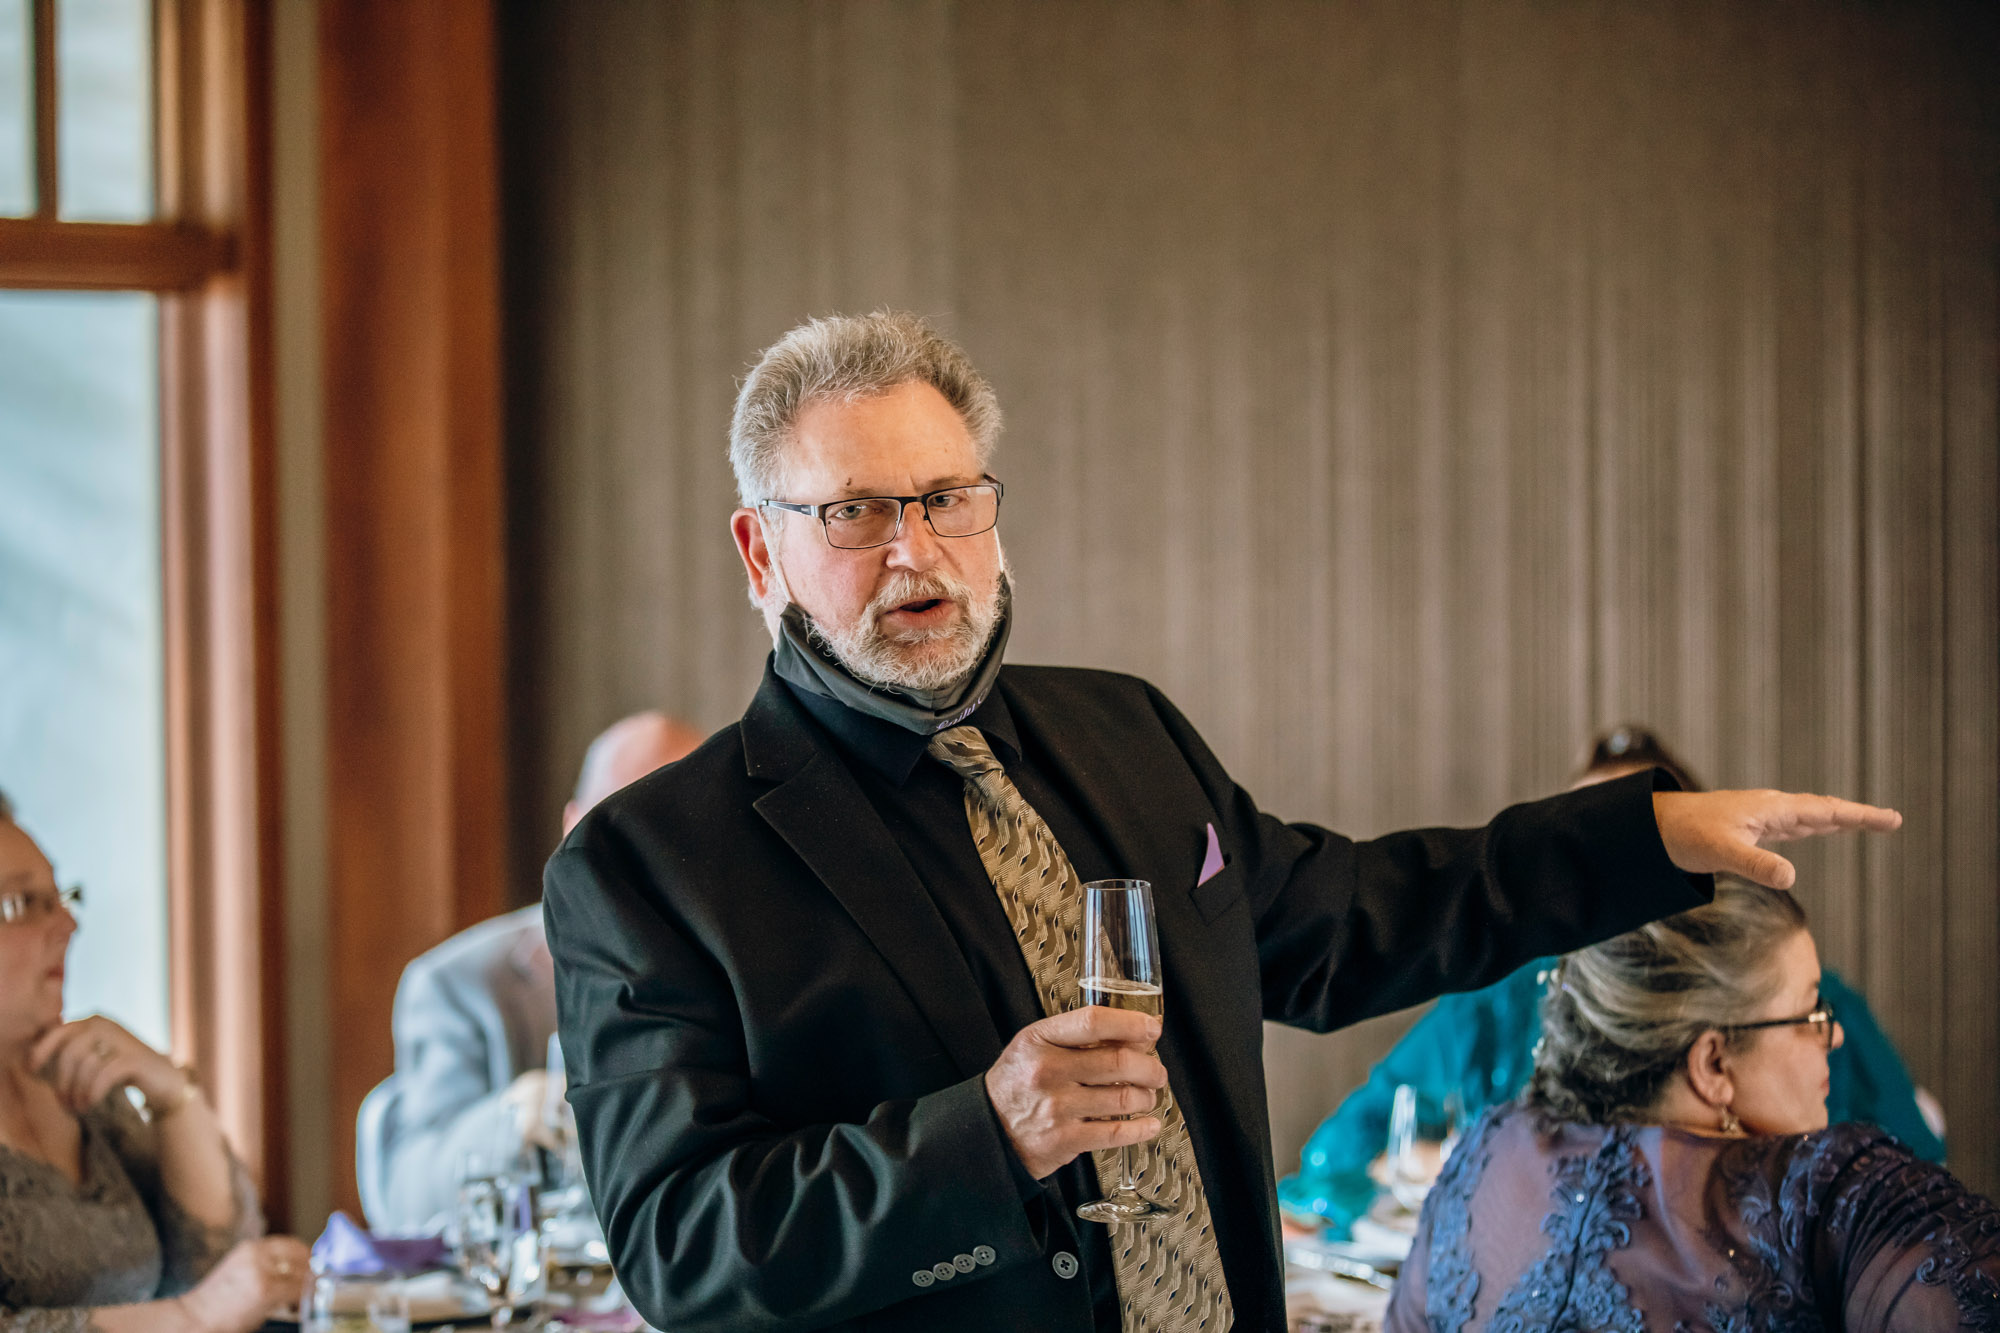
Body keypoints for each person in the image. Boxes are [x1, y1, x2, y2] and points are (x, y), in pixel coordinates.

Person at [543, 311, 1901, 1333]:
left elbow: (1354, 920)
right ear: (758, 550)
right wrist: (991, 1133)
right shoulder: (649, 864)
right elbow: (684, 1248)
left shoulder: (1122, 731)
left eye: (947, 497)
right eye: (854, 511)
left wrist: (1647, 838)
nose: (916, 549)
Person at [1279, 727, 1942, 1237]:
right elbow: (1336, 1160)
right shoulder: (1494, 1004)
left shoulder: (1809, 1011)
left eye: (1652, 849)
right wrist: (1459, 1162)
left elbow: (1918, 1189)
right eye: (1589, 855)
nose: (1615, 889)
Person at [1383, 880, 2000, 1333]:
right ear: (1713, 1065)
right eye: (1812, 1011)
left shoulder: (1487, 1152)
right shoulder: (1832, 1190)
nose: (1834, 1036)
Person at [357, 711, 703, 1234]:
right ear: (573, 827)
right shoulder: (462, 987)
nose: (659, 855)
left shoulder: (752, 967)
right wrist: (521, 1115)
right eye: (629, 827)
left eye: (686, 829)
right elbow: (409, 1195)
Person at [0, 786, 310, 1331]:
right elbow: (204, 1305)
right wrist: (191, 1316)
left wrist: (172, 1096)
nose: (67, 927)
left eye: (62, 899)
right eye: (23, 905)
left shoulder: (76, 1081)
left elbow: (215, 1266)